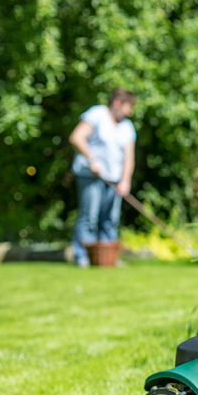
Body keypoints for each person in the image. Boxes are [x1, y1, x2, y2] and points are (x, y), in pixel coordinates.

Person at [68, 88, 137, 267]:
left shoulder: (127, 126)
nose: (130, 112)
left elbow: (129, 157)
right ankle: (82, 256)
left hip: (114, 180)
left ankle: (109, 258)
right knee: (89, 217)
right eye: (128, 107)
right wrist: (92, 160)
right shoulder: (97, 114)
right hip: (92, 176)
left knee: (111, 219)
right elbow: (76, 137)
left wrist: (125, 181)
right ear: (116, 103)